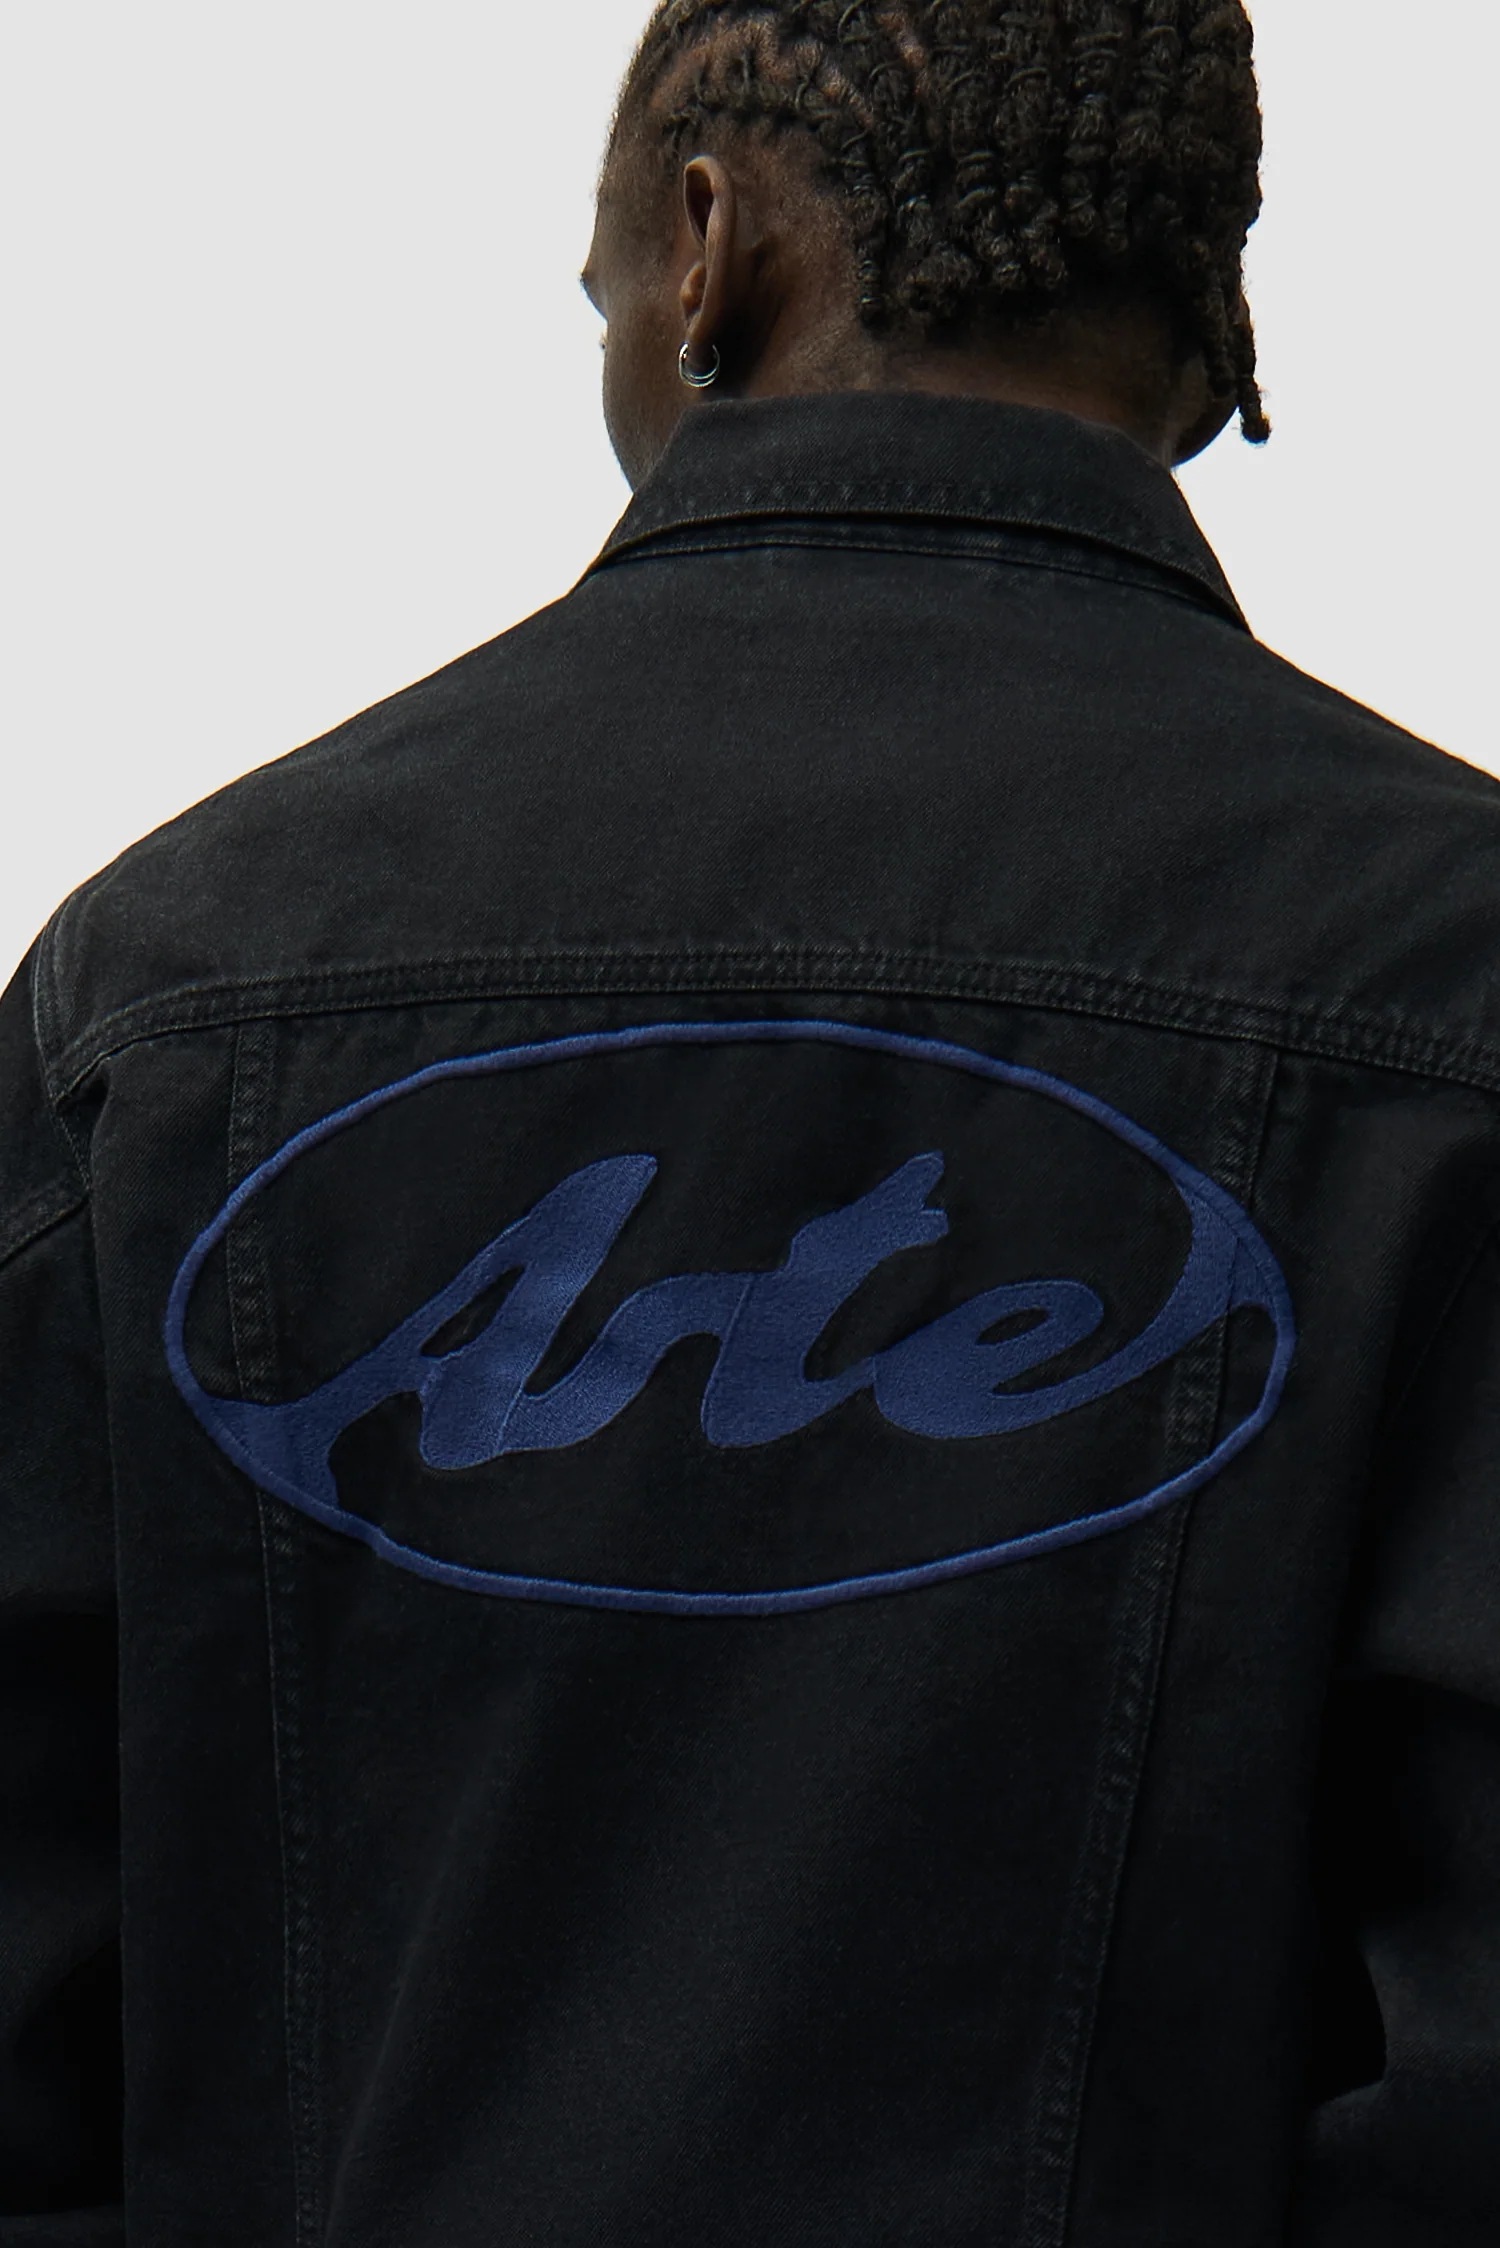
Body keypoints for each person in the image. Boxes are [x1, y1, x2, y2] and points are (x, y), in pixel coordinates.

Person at [2, 2, 1496, 2240]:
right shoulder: (1452, 979)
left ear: (710, 247)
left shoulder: (169, 994)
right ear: (1206, 331)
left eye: (600, 281)